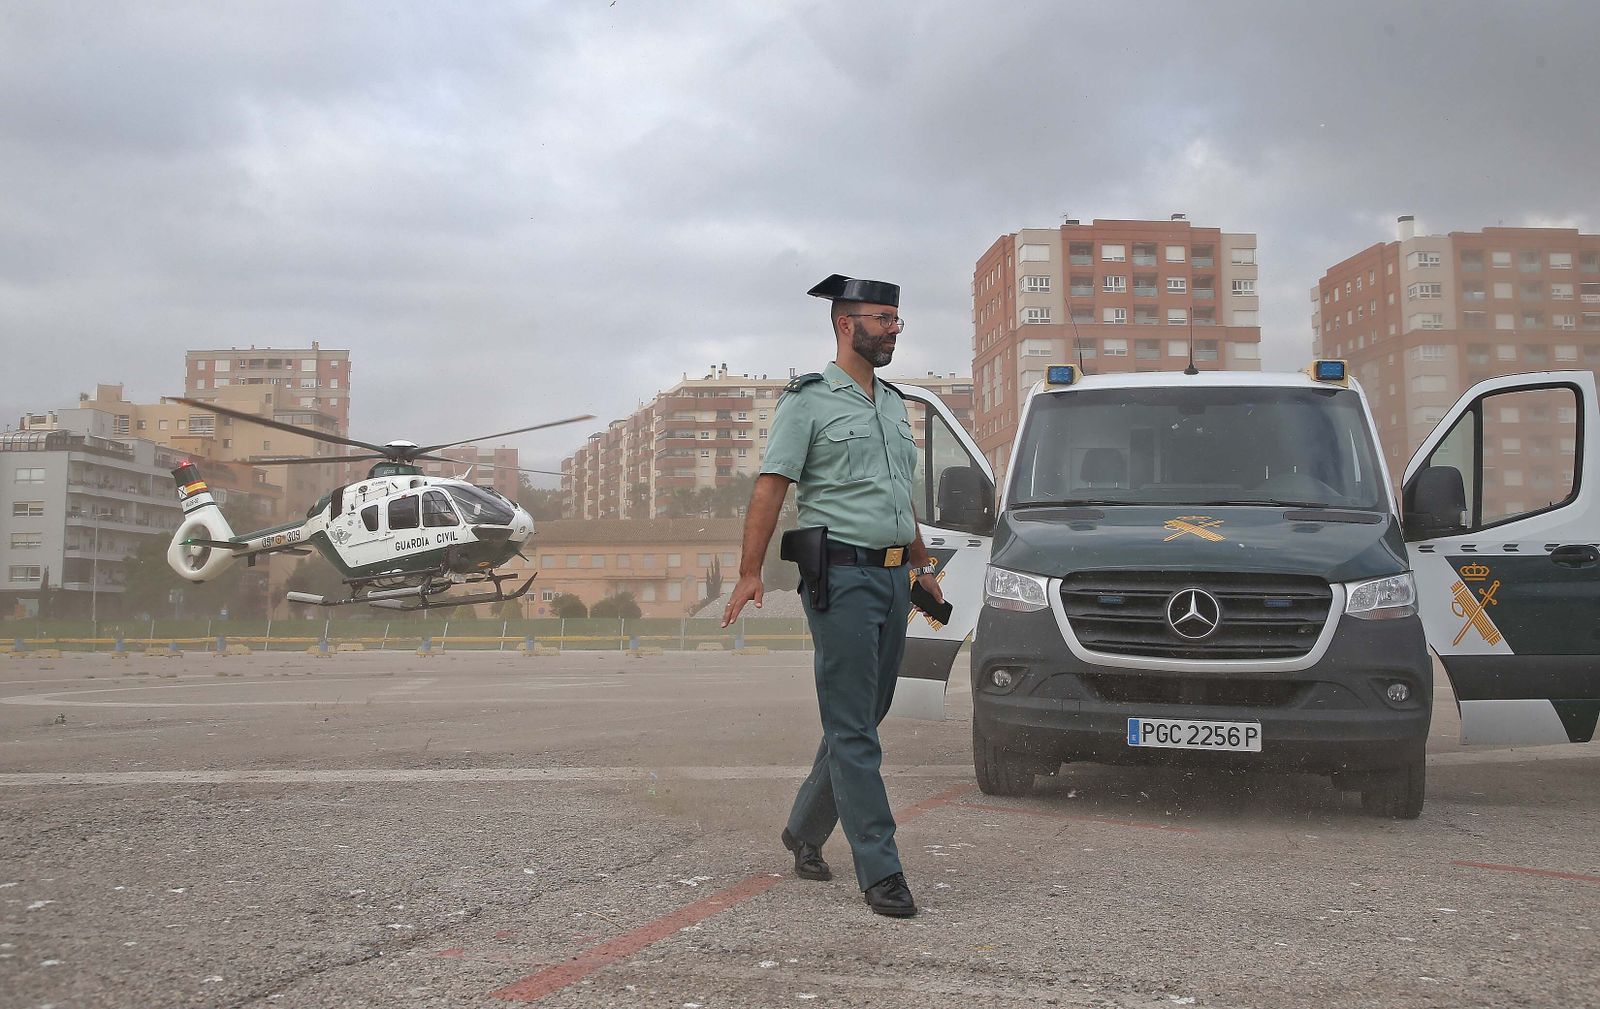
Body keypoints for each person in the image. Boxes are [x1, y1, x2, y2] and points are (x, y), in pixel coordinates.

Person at [721, 273, 944, 918]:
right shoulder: (808, 401)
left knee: (866, 714)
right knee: (853, 727)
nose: (893, 330)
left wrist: (922, 566)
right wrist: (749, 570)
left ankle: (804, 829)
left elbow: (899, 498)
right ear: (846, 325)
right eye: (882, 319)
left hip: (894, 577)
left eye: (897, 320)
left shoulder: (894, 404)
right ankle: (881, 869)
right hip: (841, 578)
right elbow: (771, 485)